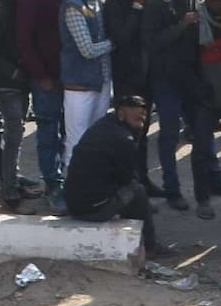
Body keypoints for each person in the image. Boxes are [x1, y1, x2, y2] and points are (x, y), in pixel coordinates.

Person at [60, 89, 161, 254]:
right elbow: (127, 178)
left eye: (143, 117)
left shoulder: (103, 125)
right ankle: (150, 247)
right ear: (121, 114)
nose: (141, 122)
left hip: (73, 203)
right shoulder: (123, 139)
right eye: (137, 118)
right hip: (93, 209)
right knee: (137, 191)